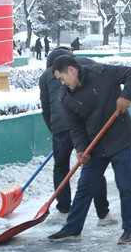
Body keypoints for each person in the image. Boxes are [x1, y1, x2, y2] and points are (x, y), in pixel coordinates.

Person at [48, 54, 131, 244]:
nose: (61, 82)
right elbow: (75, 127)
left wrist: (127, 95)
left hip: (119, 139)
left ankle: (130, 229)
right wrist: (81, 149)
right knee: (84, 188)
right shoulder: (66, 98)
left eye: (62, 77)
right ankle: (73, 228)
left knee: (125, 186)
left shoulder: (101, 73)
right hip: (95, 146)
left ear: (72, 70)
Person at [39, 47, 112, 225]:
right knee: (92, 166)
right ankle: (104, 214)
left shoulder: (45, 76)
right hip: (84, 124)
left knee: (61, 167)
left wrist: (55, 130)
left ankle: (64, 210)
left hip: (60, 127)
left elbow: (46, 108)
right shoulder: (84, 65)